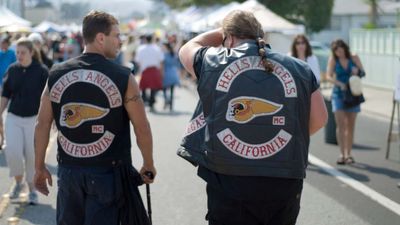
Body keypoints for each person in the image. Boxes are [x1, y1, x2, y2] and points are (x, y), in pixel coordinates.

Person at [179, 10, 328, 225]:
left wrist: (221, 32)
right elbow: (320, 118)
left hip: (229, 180)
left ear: (229, 37)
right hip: (285, 180)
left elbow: (188, 48)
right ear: (262, 37)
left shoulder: (212, 61)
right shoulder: (301, 68)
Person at [33, 11, 156, 225]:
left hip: (69, 172)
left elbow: (42, 124)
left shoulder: (56, 73)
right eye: (116, 36)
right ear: (101, 38)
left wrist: (39, 167)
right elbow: (141, 127)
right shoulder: (123, 76)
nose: (120, 41)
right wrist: (148, 163)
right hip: (108, 174)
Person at [0, 38, 49, 205]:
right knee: (12, 151)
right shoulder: (12, 70)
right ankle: (18, 182)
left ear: (31, 53)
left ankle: (32, 189)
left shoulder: (42, 71)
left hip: (33, 120)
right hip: (14, 117)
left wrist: (51, 120)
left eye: (23, 53)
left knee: (31, 156)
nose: (19, 56)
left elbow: (48, 98)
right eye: (17, 53)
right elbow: (5, 94)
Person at [326, 39, 365, 165]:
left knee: (350, 126)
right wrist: (338, 83)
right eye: (336, 50)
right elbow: (328, 76)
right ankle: (342, 154)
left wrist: (357, 72)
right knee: (341, 125)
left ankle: (349, 154)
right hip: (338, 94)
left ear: (345, 47)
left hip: (353, 95)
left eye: (340, 48)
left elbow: (363, 72)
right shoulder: (333, 59)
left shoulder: (354, 57)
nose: (339, 52)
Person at [135, 34, 164, 112]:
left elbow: (138, 61)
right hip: (154, 69)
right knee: (153, 88)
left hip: (144, 70)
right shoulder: (157, 48)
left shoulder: (141, 48)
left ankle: (145, 102)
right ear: (152, 39)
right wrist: (161, 72)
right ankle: (151, 103)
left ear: (145, 39)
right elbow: (161, 61)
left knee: (143, 87)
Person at [162, 42, 180, 111]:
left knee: (164, 90)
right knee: (172, 91)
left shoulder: (164, 55)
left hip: (166, 73)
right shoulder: (174, 55)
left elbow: (162, 66)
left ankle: (166, 101)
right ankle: (171, 106)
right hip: (174, 74)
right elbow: (178, 65)